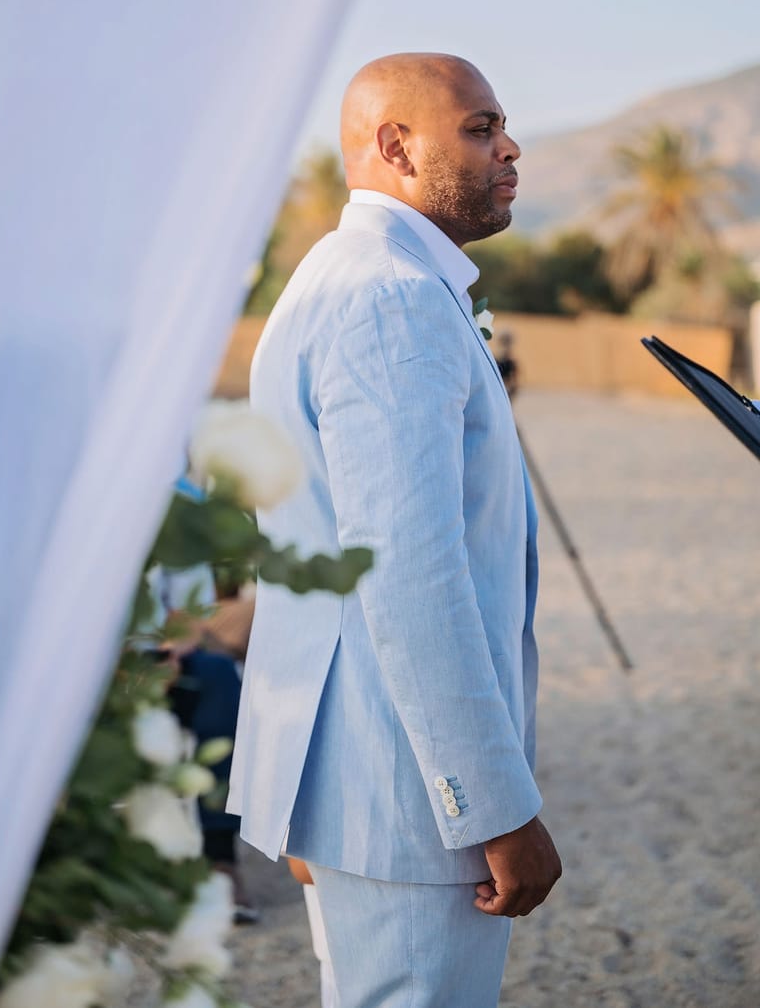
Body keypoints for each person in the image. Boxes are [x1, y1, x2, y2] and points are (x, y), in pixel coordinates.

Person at [227, 53, 561, 1005]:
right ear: (395, 146)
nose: (511, 148)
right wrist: (492, 808)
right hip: (406, 800)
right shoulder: (391, 298)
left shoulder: (336, 275)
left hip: (350, 775)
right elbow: (407, 575)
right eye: (482, 128)